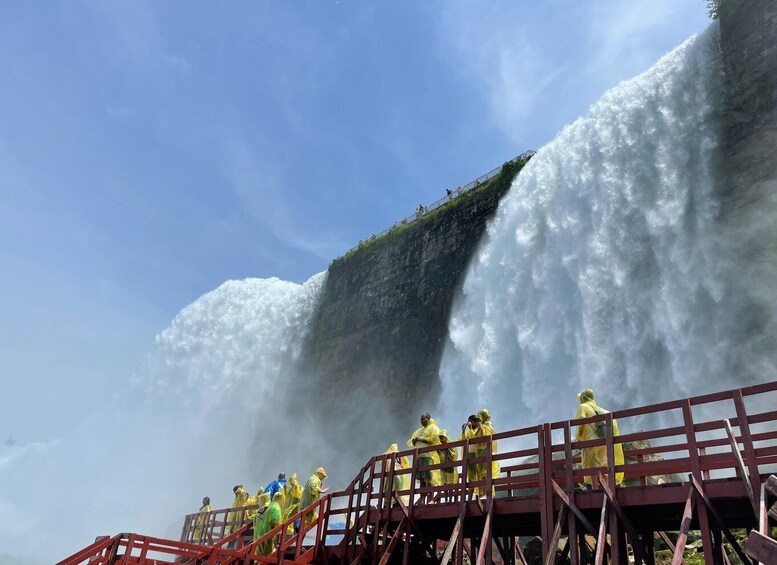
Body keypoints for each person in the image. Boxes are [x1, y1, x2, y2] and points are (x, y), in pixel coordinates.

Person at [575, 388, 624, 489]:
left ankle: (595, 488)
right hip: (605, 441)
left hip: (591, 441)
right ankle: (607, 488)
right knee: (604, 463)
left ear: (583, 398)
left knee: (592, 465)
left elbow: (580, 423)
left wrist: (579, 438)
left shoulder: (583, 407)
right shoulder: (603, 410)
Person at [407, 412, 442, 499]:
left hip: (428, 456)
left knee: (428, 478)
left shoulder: (433, 428)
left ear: (428, 419)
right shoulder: (419, 430)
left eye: (423, 419)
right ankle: (422, 499)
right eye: (420, 419)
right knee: (421, 479)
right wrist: (414, 441)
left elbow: (434, 439)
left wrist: (420, 439)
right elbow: (412, 441)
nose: (421, 421)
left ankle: (431, 498)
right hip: (419, 457)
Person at [459, 414, 491, 498]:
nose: (469, 423)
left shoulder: (478, 429)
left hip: (476, 454)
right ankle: (469, 498)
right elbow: (463, 441)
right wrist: (463, 431)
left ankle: (482, 495)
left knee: (480, 475)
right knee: (471, 477)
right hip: (469, 455)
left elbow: (474, 438)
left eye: (470, 422)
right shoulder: (470, 431)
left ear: (474, 422)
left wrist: (470, 429)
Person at [254, 491, 284, 556]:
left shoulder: (260, 510)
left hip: (257, 544)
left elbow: (255, 525)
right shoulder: (275, 508)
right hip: (267, 544)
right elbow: (276, 524)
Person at [478, 409, 501, 483]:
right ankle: (484, 493)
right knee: (483, 473)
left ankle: (488, 493)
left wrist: (481, 428)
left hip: (487, 450)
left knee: (487, 472)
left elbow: (486, 436)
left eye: (480, 417)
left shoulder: (488, 424)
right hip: (483, 450)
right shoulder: (484, 425)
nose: (479, 419)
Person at [437, 430, 459, 500]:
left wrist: (448, 449)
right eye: (440, 438)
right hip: (443, 467)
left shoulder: (451, 446)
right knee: (444, 483)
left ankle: (450, 499)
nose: (441, 440)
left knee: (450, 484)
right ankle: (446, 499)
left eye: (442, 438)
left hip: (450, 467)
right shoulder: (440, 447)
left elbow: (454, 455)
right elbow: (439, 455)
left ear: (446, 438)